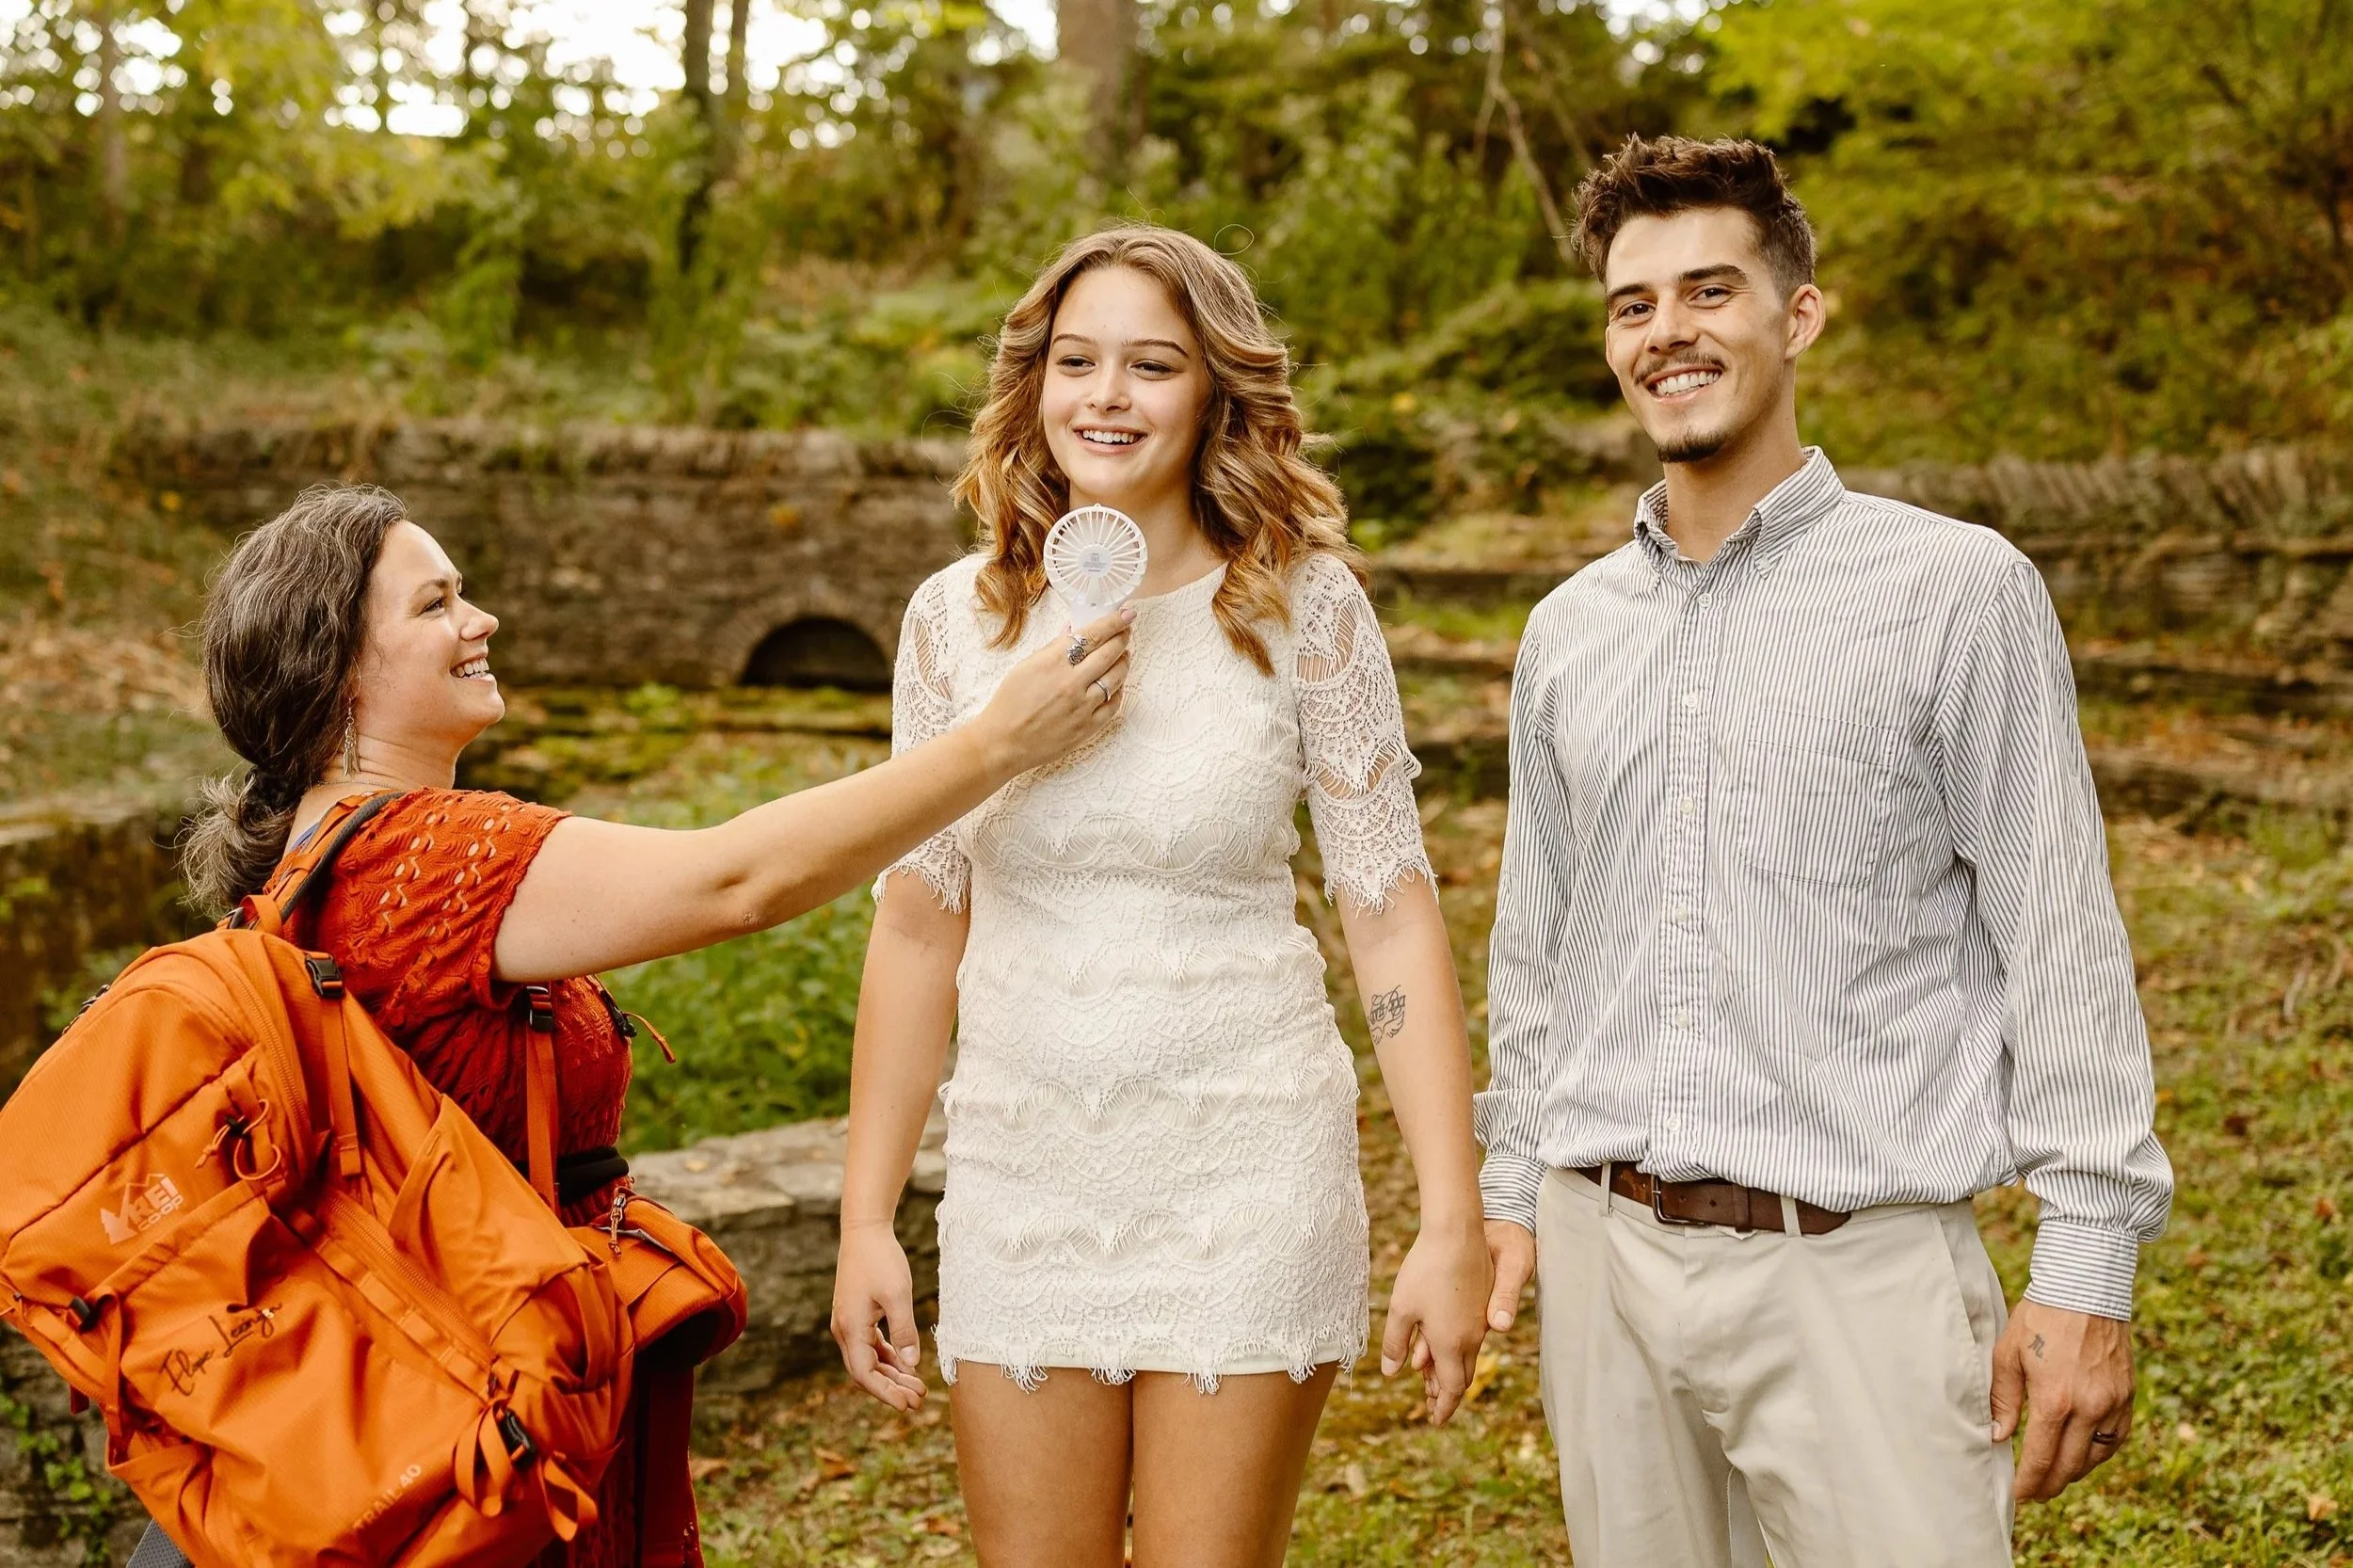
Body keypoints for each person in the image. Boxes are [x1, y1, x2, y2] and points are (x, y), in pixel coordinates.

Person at [143, 482, 1133, 1568]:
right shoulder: (420, 861)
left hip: (461, 1379)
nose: (481, 621)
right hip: (481, 1408)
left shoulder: (320, 853)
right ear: (339, 671)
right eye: (436, 605)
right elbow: (735, 881)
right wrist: (992, 745)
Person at [1474, 136, 2174, 1568]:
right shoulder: (1568, 632)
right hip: (1605, 1262)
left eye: (1709, 290)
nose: (1666, 331)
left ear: (1798, 315)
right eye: (1632, 304)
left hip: (1858, 1273)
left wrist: (2088, 1262)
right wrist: (1506, 1196)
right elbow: (1537, 950)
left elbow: (2056, 933)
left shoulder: (1954, 590)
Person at [829, 224, 1493, 1568]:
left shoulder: (1306, 608)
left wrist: (1451, 1215)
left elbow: (1388, 913)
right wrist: (865, 1220)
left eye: (1152, 364)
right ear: (1034, 382)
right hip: (1023, 1176)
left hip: (1246, 1170)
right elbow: (916, 926)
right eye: (1076, 361)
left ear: (1214, 393)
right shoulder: (955, 620)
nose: (1107, 396)